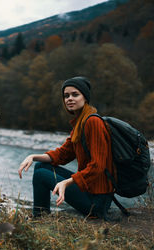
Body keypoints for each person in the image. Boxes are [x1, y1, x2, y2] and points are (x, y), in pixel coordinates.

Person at [18, 76, 114, 220]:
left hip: (97, 201)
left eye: (75, 94)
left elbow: (98, 165)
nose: (69, 98)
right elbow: (62, 155)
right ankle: (41, 213)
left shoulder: (93, 122)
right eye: (66, 96)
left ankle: (39, 218)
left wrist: (67, 182)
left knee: (40, 175)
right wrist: (32, 156)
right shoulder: (80, 123)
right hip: (88, 190)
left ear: (85, 97)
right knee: (40, 166)